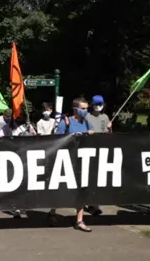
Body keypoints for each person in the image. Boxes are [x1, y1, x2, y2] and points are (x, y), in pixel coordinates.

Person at [55, 97, 94, 232]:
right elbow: (56, 141)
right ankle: (52, 211)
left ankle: (79, 220)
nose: (86, 111)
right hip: (66, 160)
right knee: (60, 188)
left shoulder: (87, 123)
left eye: (87, 108)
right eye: (83, 108)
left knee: (81, 190)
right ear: (75, 109)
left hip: (81, 161)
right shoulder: (65, 123)